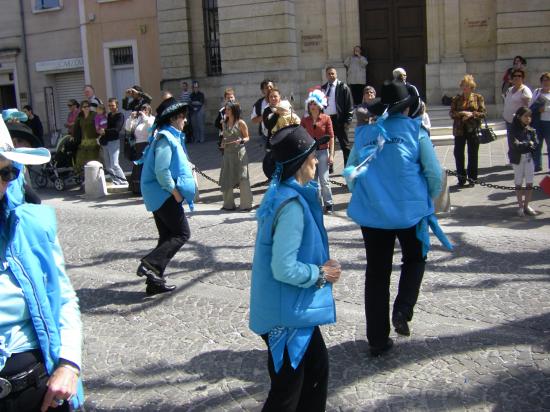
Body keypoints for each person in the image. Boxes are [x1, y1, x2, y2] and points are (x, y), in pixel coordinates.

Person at [344, 80, 451, 356]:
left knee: (377, 274)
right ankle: (403, 308)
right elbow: (433, 173)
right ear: (407, 108)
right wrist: (428, 199)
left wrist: (366, 194)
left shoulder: (366, 132)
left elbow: (351, 172)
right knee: (415, 258)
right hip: (410, 212)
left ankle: (377, 338)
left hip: (373, 215)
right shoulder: (417, 132)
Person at [250, 125, 341, 411]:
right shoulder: (291, 206)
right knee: (288, 390)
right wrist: (320, 274)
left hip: (287, 307)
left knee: (313, 372)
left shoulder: (283, 195)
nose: (317, 159)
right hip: (287, 313)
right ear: (301, 162)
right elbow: (283, 268)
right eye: (314, 155)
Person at [0, 117, 84, 412]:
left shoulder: (31, 224)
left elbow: (62, 297)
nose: (1, 184)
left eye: (6, 173)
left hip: (39, 389)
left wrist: (69, 364)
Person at [137, 97, 196, 295]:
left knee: (167, 237)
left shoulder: (169, 137)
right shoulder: (165, 138)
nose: (185, 120)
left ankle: (155, 282)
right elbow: (162, 172)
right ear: (172, 119)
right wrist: (176, 194)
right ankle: (149, 264)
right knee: (182, 234)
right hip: (163, 195)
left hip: (159, 195)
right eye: (181, 117)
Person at [300, 89, 335, 214]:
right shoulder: (305, 120)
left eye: (315, 103)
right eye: (311, 103)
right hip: (310, 154)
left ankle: (329, 204)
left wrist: (331, 154)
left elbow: (331, 137)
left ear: (320, 105)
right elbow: (300, 135)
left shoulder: (326, 118)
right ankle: (317, 204)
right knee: (313, 181)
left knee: (324, 180)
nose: (312, 106)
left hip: (323, 151)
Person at [449, 74, 487, 186]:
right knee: (458, 153)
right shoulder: (456, 99)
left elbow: (483, 113)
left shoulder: (478, 98)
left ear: (472, 87)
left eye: (467, 86)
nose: (465, 88)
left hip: (473, 129)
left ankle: (472, 178)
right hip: (459, 130)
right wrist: (461, 113)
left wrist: (472, 114)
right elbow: (451, 113)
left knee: (473, 154)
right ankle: (461, 178)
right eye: (463, 85)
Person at [219, 101, 253, 211]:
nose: (226, 111)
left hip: (240, 153)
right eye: (226, 109)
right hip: (228, 154)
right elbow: (224, 137)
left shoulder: (241, 123)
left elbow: (247, 137)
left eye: (228, 109)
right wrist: (223, 143)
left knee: (243, 177)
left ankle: (246, 204)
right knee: (226, 178)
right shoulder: (224, 123)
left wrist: (242, 140)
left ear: (234, 110)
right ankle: (228, 204)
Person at [508, 107, 538, 217]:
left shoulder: (531, 130)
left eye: (529, 116)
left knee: (529, 182)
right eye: (525, 116)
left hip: (529, 158)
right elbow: (515, 146)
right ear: (519, 116)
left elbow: (535, 145)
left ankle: (527, 205)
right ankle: (520, 206)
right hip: (518, 158)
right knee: (519, 181)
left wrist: (526, 144)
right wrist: (528, 143)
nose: (528, 118)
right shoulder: (513, 130)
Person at [321, 66, 353, 165]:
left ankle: (347, 166)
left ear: (336, 74)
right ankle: (330, 167)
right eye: (329, 74)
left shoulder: (343, 87)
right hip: (327, 119)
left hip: (340, 119)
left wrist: (347, 121)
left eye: (332, 73)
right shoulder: (323, 88)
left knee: (345, 145)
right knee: (329, 144)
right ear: (326, 75)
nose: (331, 75)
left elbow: (349, 105)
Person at [126, 103, 155, 194]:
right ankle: (137, 189)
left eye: (146, 110)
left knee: (146, 166)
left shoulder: (151, 119)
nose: (144, 111)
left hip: (147, 145)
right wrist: (131, 118)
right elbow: (128, 128)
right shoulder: (138, 120)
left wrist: (145, 117)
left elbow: (151, 127)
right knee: (138, 167)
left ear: (149, 111)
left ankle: (149, 188)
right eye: (142, 109)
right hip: (138, 146)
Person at [99, 98, 127, 186]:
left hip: (114, 142)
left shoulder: (120, 115)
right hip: (105, 142)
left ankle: (123, 180)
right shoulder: (109, 115)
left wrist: (105, 131)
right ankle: (116, 181)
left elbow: (117, 129)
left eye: (113, 105)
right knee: (108, 166)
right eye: (109, 105)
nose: (111, 107)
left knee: (114, 164)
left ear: (117, 105)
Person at [503, 68, 532, 142]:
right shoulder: (509, 89)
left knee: (520, 145)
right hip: (509, 121)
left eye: (519, 76)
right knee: (511, 145)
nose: (517, 77)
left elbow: (528, 108)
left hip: (519, 123)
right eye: (514, 76)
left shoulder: (525, 90)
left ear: (522, 78)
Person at [529, 72, 550, 172]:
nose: (546, 82)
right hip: (537, 122)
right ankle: (537, 165)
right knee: (537, 144)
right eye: (544, 80)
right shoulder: (537, 92)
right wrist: (537, 110)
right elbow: (530, 106)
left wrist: (545, 109)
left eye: (548, 80)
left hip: (549, 123)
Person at [73, 100, 100, 178]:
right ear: (81, 108)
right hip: (83, 142)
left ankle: (95, 178)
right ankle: (82, 178)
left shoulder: (94, 115)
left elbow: (101, 124)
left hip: (93, 142)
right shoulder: (80, 116)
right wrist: (73, 136)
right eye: (84, 107)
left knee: (92, 161)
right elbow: (76, 128)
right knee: (80, 161)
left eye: (88, 106)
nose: (87, 108)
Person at [251, 79, 274, 148]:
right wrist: (264, 116)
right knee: (268, 156)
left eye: (271, 87)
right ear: (262, 90)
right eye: (267, 87)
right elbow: (253, 120)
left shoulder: (280, 102)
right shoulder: (259, 104)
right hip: (265, 136)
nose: (269, 89)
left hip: (279, 134)